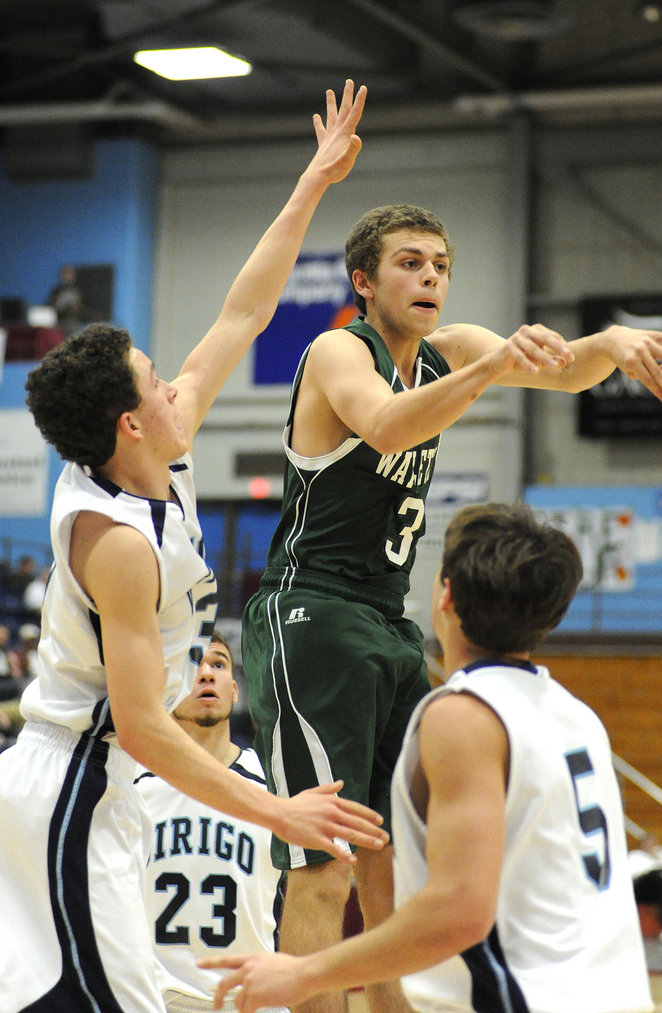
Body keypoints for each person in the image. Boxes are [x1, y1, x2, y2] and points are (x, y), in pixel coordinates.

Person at [241, 202, 662, 1011]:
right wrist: (487, 371)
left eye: (441, 265)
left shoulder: (450, 350)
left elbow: (561, 370)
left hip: (389, 619)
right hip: (310, 612)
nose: (430, 278)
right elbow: (384, 427)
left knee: (393, 862)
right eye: (410, 263)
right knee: (326, 861)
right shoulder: (338, 350)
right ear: (364, 281)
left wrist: (613, 345)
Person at [0, 80, 389, 1013]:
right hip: (71, 782)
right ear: (132, 424)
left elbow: (242, 314)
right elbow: (140, 725)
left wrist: (313, 180)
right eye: (157, 384)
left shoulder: (148, 460)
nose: (179, 385)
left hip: (110, 791)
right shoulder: (118, 542)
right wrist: (276, 809)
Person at [204, 502, 654, 1012]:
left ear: (445, 595)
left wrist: (303, 974)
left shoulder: (463, 716)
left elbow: (460, 911)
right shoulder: (579, 717)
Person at [135, 630, 288, 1013]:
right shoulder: (132, 786)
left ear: (235, 690)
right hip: (156, 998)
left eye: (217, 664)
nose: (206, 674)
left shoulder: (273, 786)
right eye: (192, 664)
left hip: (252, 998)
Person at [47, 263, 83, 335]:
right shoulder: (56, 290)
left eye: (69, 274)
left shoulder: (77, 289)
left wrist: (73, 307)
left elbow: (79, 306)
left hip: (72, 322)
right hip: (58, 321)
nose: (67, 276)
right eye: (65, 274)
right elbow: (51, 304)